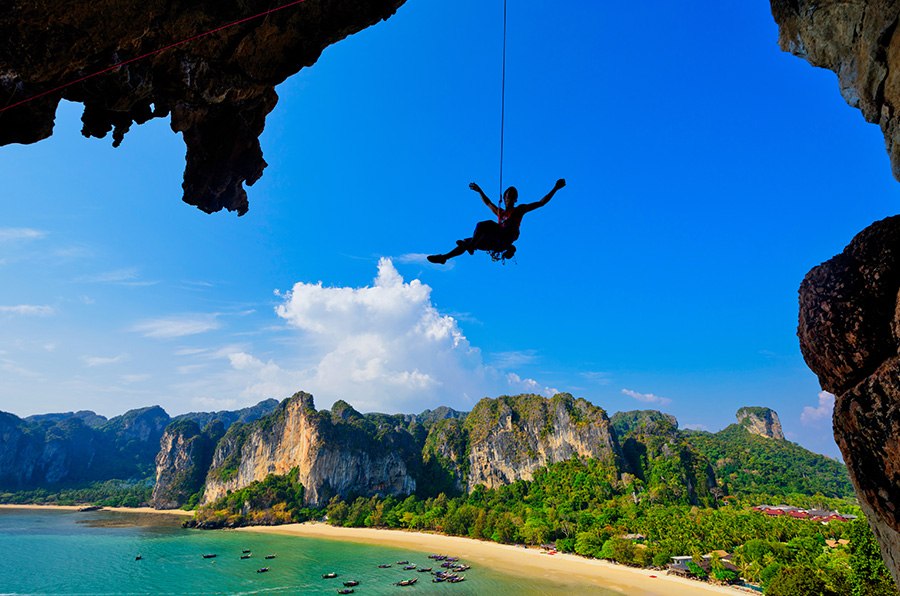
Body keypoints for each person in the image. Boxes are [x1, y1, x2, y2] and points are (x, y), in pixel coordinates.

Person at [427, 178, 566, 264]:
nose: (509, 198)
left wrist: (555, 188)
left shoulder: (520, 209)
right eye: (507, 196)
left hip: (506, 239)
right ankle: (444, 257)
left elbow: (541, 203)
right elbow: (488, 203)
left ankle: (472, 245)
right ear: (504, 198)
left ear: (516, 199)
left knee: (483, 225)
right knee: (467, 241)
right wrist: (479, 190)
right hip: (495, 241)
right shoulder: (501, 212)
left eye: (512, 196)